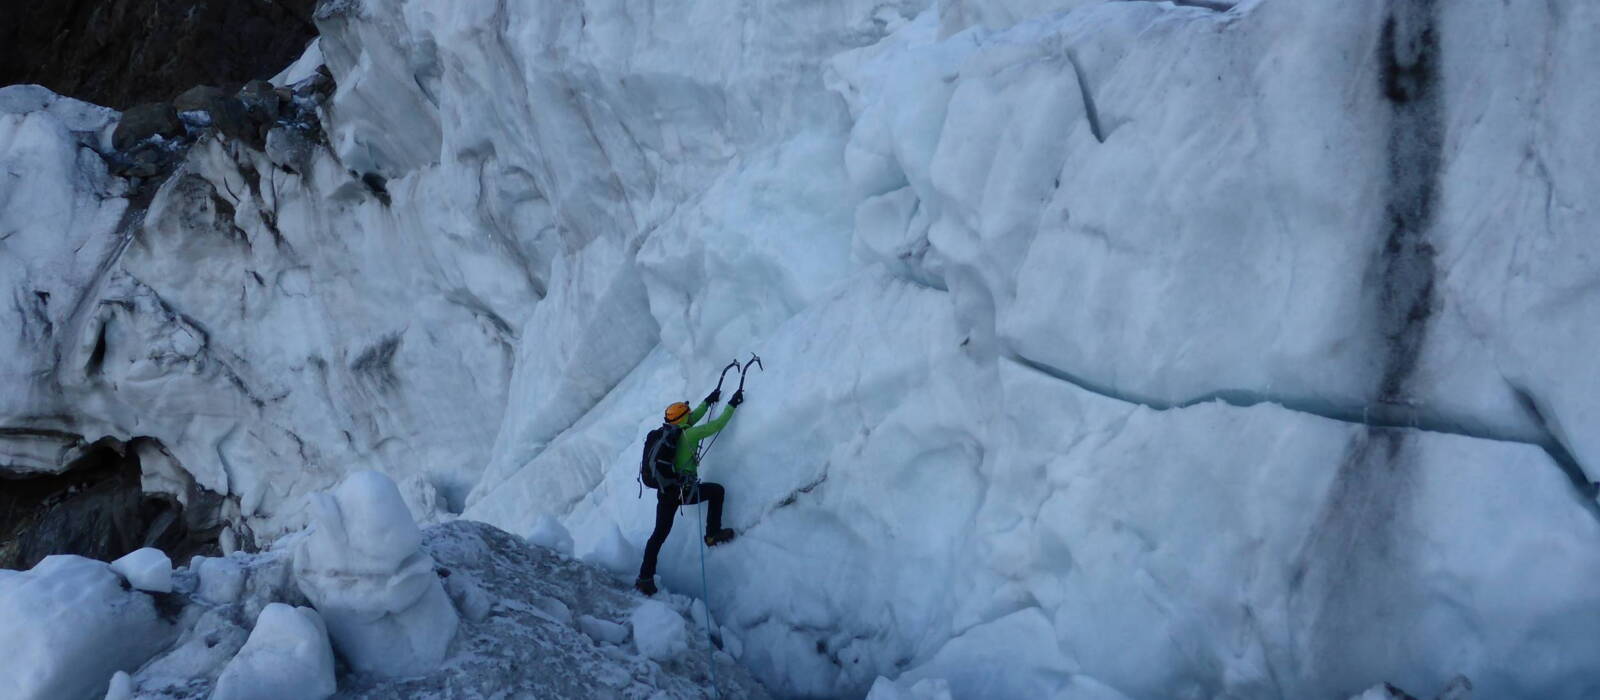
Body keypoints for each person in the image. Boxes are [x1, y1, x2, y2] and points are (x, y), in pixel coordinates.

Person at [634, 387, 745, 596]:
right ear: (683, 420)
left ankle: (644, 578)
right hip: (683, 491)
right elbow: (718, 424)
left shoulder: (671, 433)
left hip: (666, 491)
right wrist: (732, 404)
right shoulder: (691, 434)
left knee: (658, 535)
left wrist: (708, 401)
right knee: (717, 492)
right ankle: (712, 534)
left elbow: (690, 418)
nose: (690, 415)